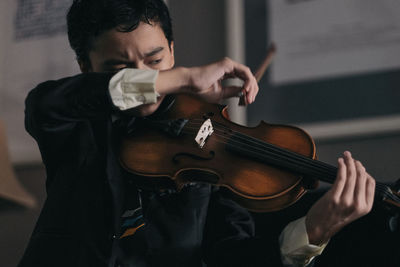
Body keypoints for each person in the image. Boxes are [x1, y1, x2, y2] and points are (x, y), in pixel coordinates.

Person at [19, 0, 396, 266]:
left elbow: (234, 255)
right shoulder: (71, 124)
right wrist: (180, 77)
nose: (147, 75)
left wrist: (313, 230)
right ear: (86, 67)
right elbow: (46, 103)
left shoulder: (210, 146)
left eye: (155, 61)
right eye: (120, 67)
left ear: (171, 48)